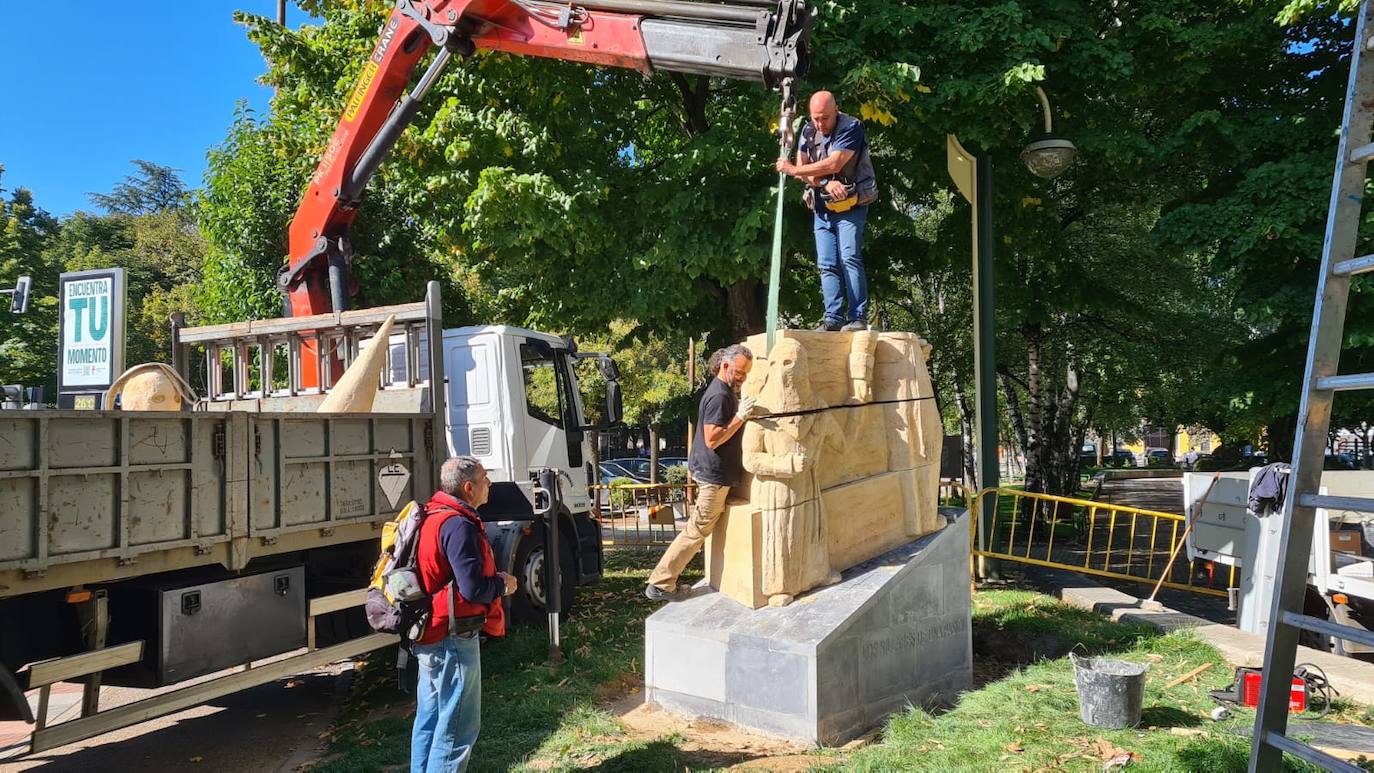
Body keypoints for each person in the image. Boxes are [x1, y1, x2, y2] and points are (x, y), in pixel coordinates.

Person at [410, 456, 518, 773]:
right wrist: (502, 583)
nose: (491, 484)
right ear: (468, 487)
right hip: (453, 638)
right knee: (457, 727)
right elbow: (472, 589)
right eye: (486, 478)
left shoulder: (432, 516)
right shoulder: (459, 525)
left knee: (429, 720)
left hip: (428, 631)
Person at [646, 344, 757, 601]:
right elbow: (712, 439)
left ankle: (663, 581)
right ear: (725, 366)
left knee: (700, 527)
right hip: (713, 478)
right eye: (740, 371)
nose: (743, 377)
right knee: (695, 531)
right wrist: (740, 417)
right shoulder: (720, 396)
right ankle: (661, 582)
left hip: (714, 474)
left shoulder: (724, 391)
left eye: (746, 373)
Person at [776, 90, 879, 333]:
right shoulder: (808, 131)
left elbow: (834, 163)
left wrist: (793, 170)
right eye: (815, 118)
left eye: (825, 118)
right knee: (826, 263)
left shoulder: (851, 127)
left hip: (851, 205)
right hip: (822, 206)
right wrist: (824, 183)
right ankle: (832, 319)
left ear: (836, 110)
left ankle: (857, 318)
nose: (819, 124)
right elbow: (803, 169)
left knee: (849, 257)